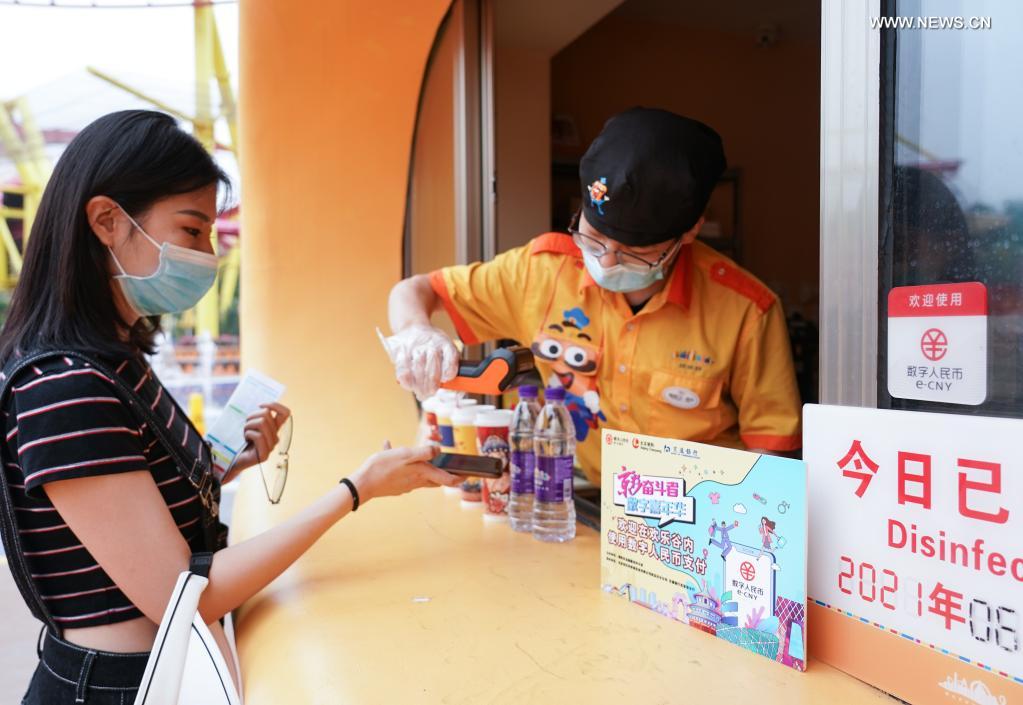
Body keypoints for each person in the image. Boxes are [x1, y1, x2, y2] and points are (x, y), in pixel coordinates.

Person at [0, 110, 459, 704]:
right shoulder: (63, 386)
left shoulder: (113, 359)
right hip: (117, 687)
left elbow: (136, 512)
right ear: (108, 221)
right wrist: (355, 490)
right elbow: (185, 595)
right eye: (192, 231)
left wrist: (224, 463)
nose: (208, 254)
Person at [385, 107, 801, 484]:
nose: (606, 260)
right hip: (587, 498)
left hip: (700, 518)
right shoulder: (543, 272)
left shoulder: (746, 309)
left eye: (634, 251)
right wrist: (416, 331)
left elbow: (773, 452)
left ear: (689, 231)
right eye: (594, 237)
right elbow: (415, 291)